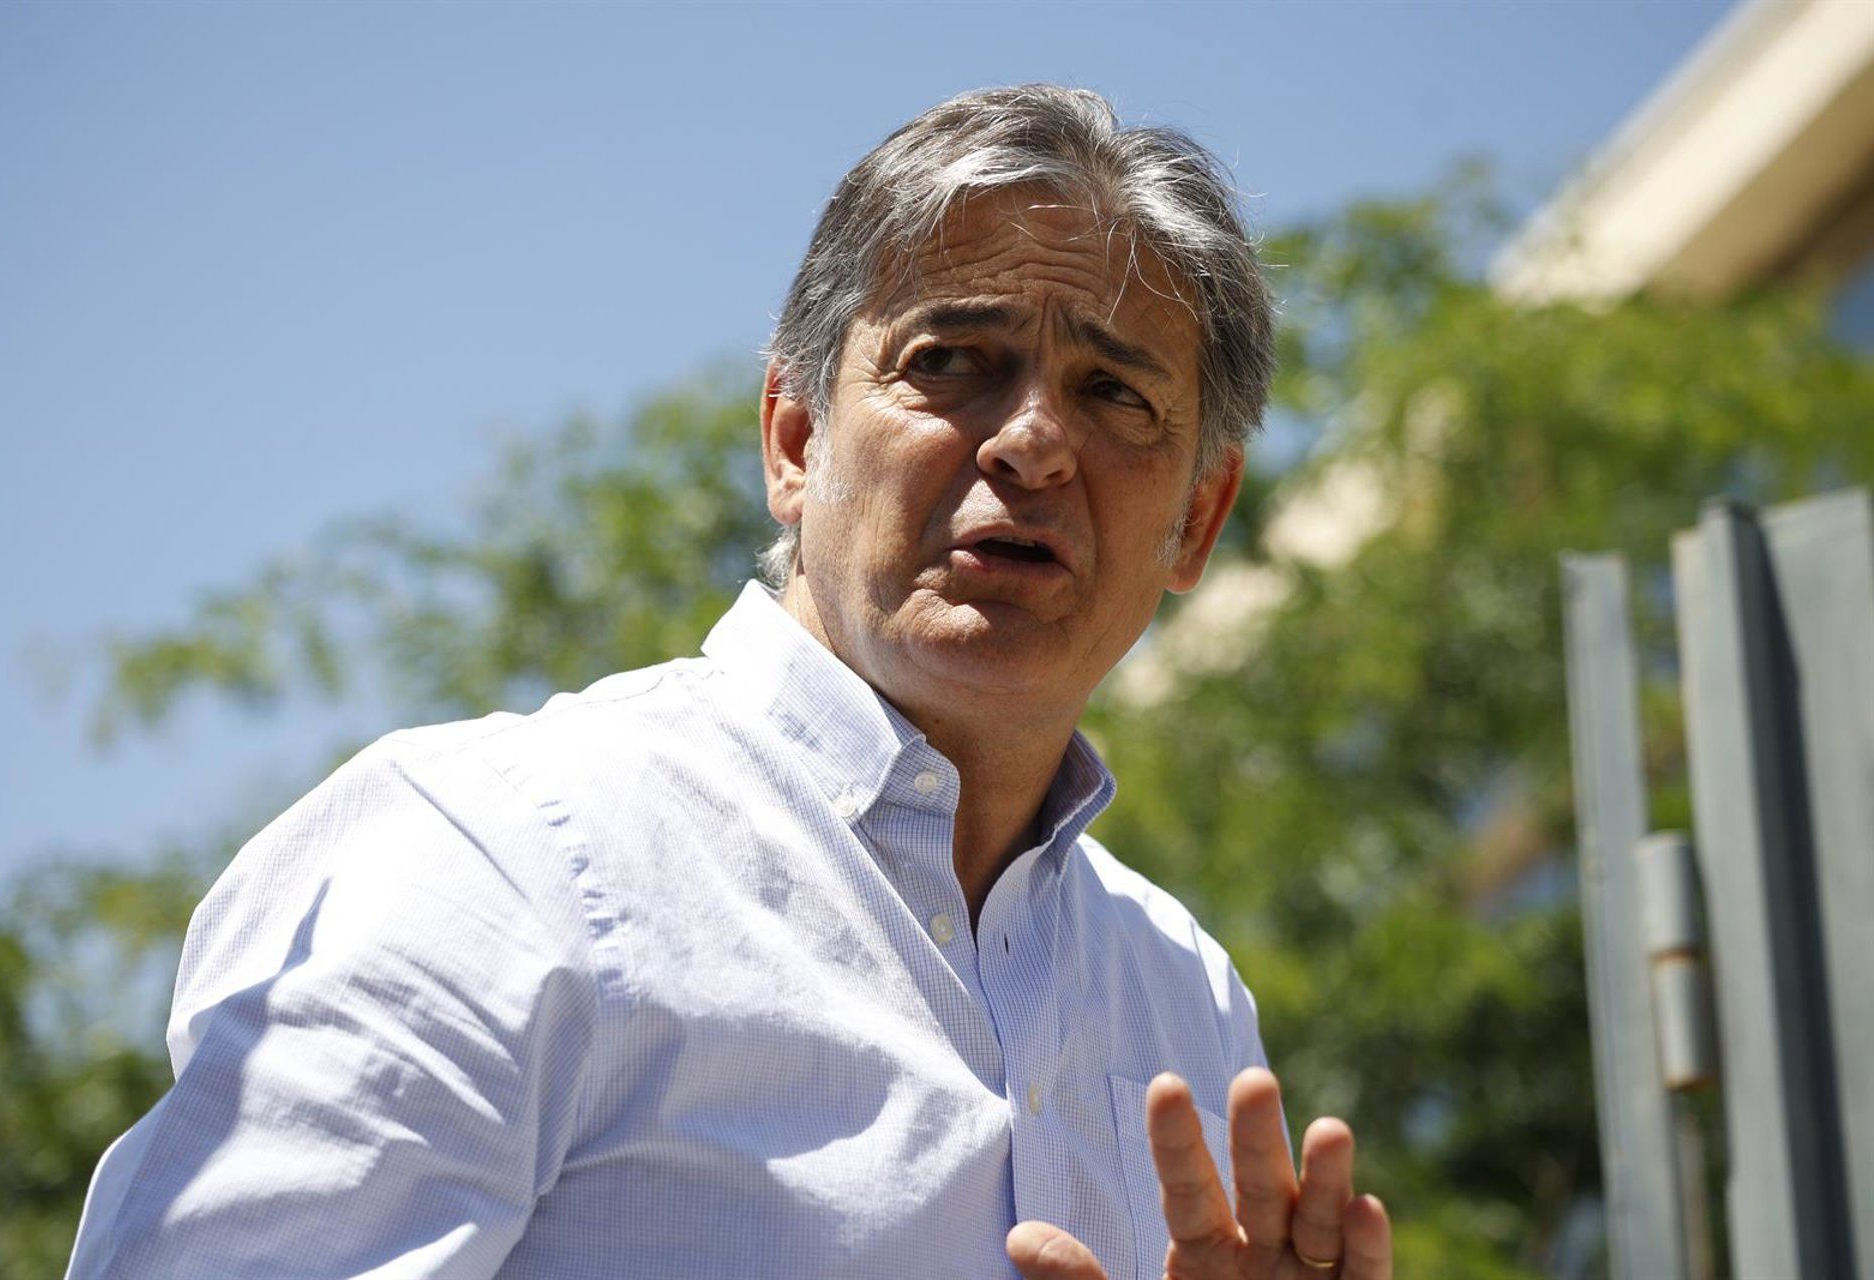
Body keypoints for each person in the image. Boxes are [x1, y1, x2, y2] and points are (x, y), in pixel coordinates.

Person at [67, 85, 1392, 1279]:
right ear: (796, 438)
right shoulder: (498, 855)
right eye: (952, 361)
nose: (1035, 442)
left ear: (1197, 521)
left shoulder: (1184, 996)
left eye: (1114, 394)